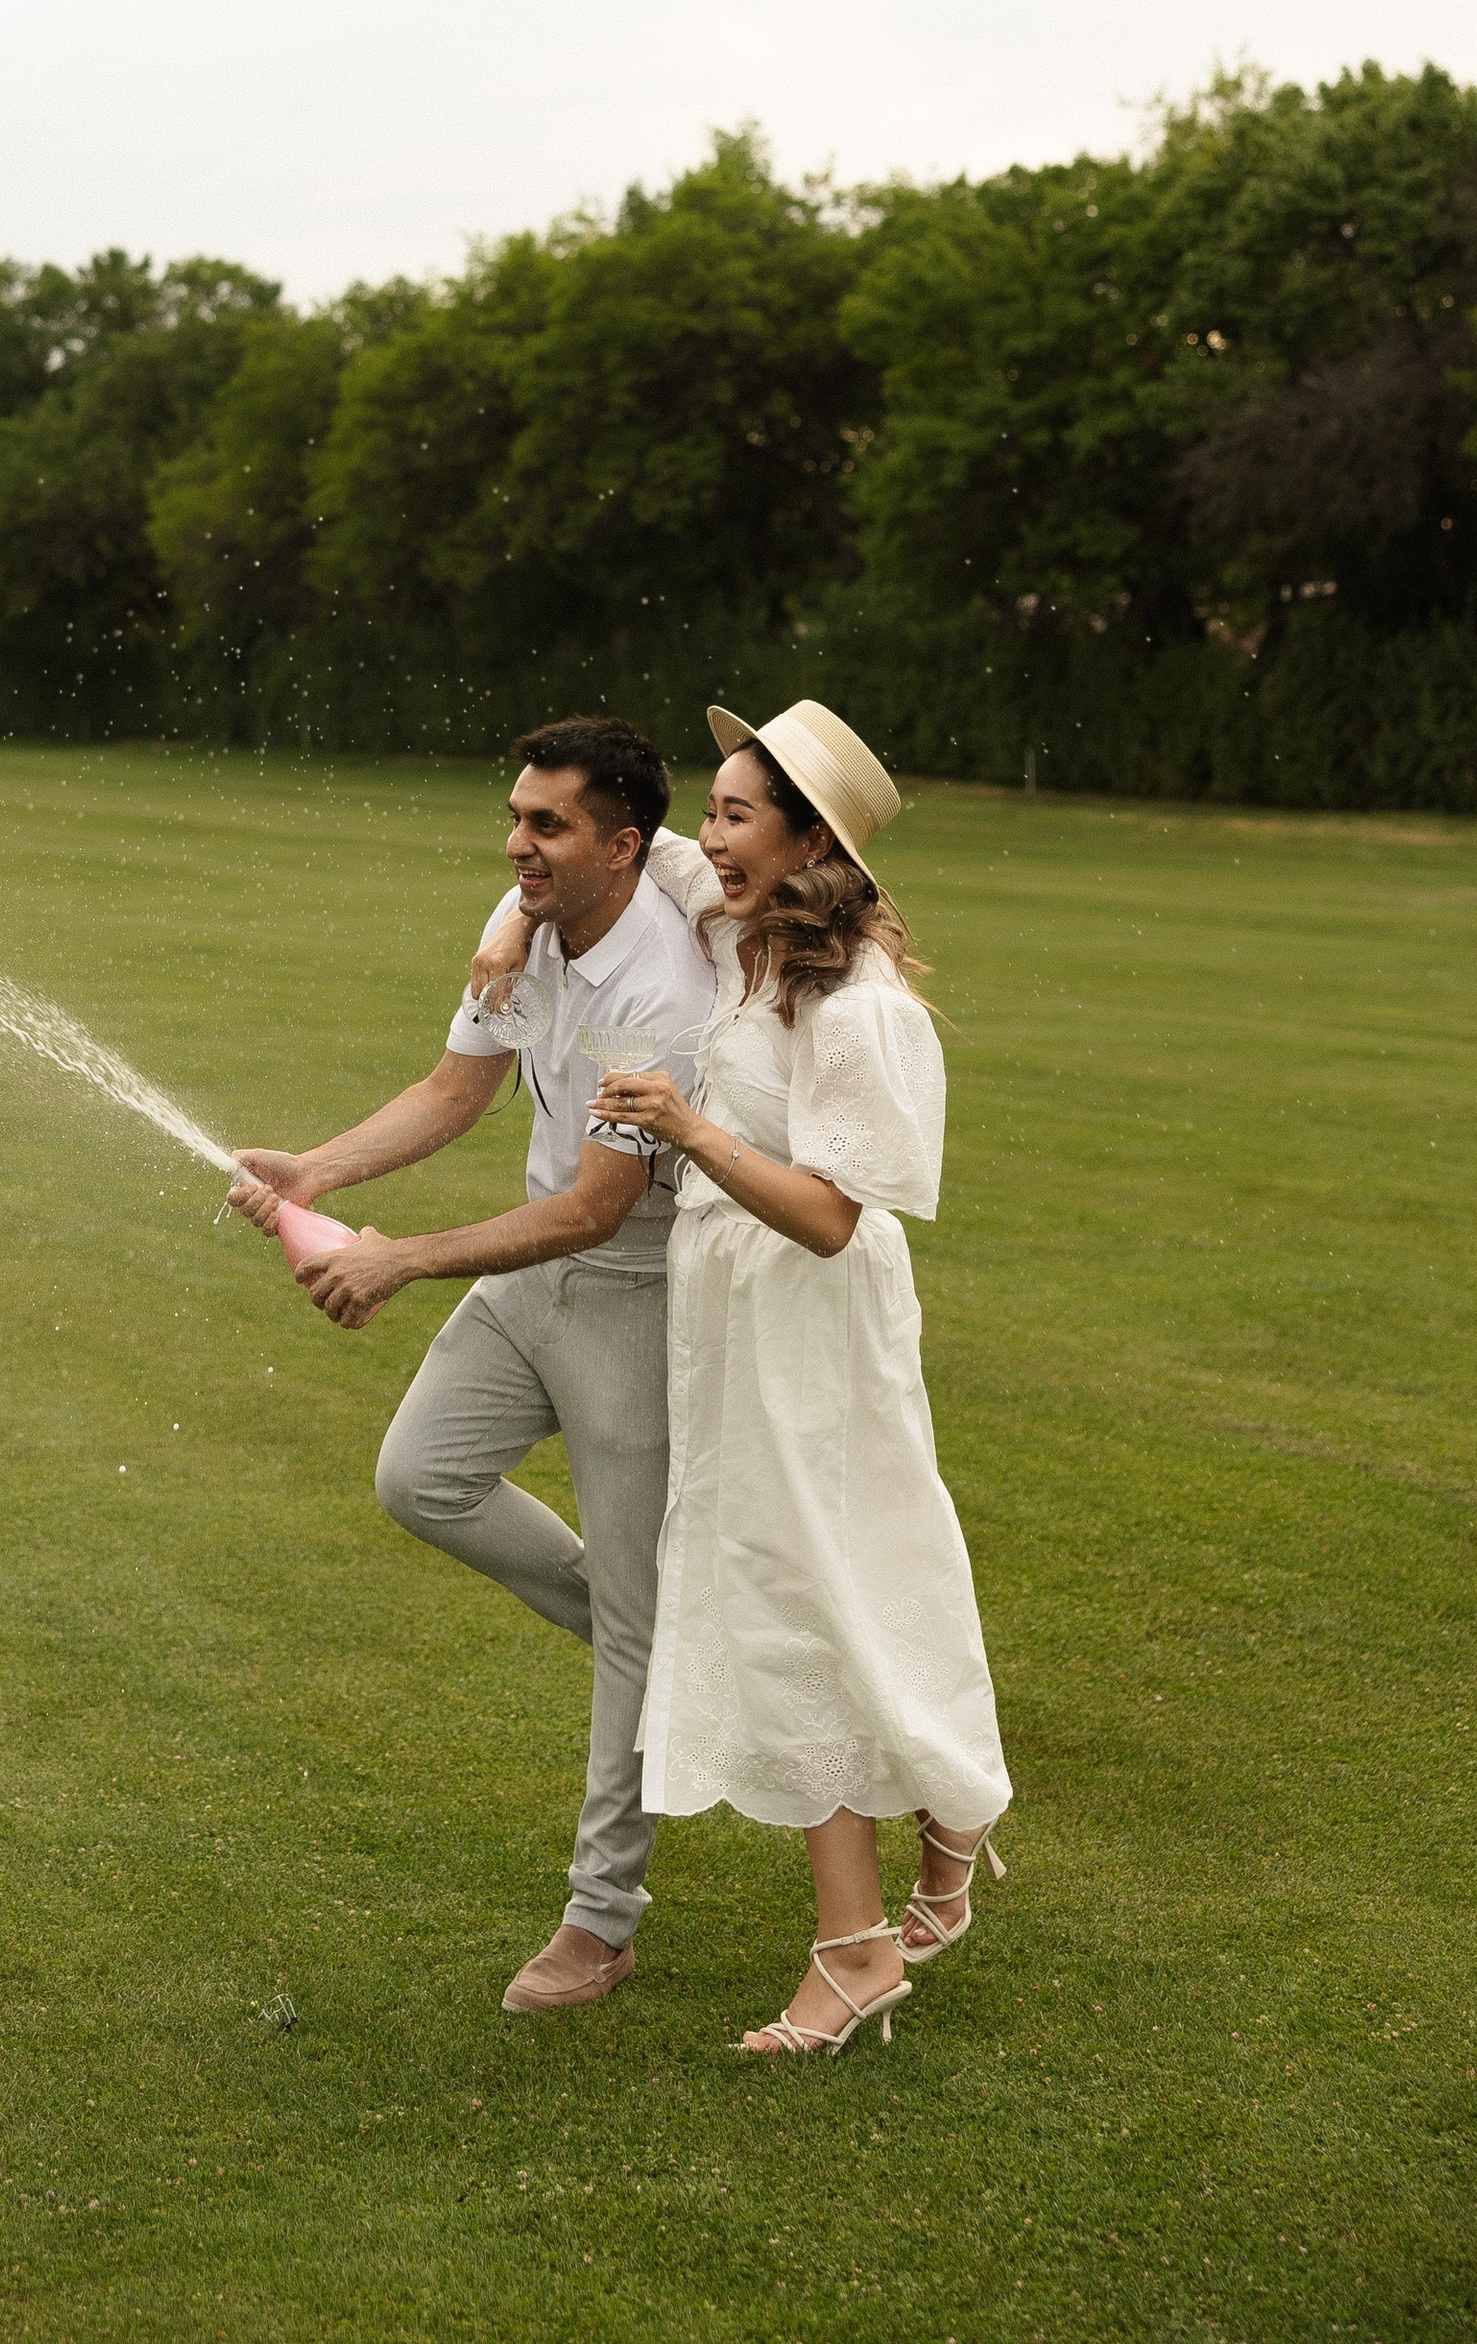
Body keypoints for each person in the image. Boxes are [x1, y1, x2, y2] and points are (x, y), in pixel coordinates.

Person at [228, 717, 717, 2013]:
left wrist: (400, 1258)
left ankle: (602, 1921)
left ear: (623, 844)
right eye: (514, 817)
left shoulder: (660, 995)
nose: (516, 845)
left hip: (624, 1297)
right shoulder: (533, 916)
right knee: (419, 1479)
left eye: (546, 825)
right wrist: (317, 1170)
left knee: (632, 1628)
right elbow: (457, 1091)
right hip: (527, 1277)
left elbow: (594, 1210)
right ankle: (653, 1647)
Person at [575, 698, 1013, 2057]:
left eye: (736, 815)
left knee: (809, 1597)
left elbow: (833, 1216)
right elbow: (624, 852)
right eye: (710, 810)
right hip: (735, 1332)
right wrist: (498, 928)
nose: (708, 841)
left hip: (811, 1338)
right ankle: (944, 1822)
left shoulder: (859, 1009)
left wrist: (686, 1124)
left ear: (813, 839)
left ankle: (859, 1940)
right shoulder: (742, 927)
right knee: (797, 1592)